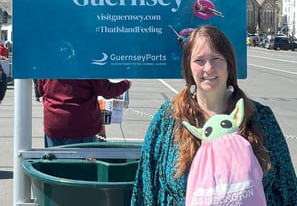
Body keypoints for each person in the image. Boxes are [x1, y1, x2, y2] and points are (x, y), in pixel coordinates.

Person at [131, 25, 297, 205]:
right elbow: (145, 189)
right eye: (199, 60)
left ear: (229, 64)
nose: (208, 68)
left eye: (216, 59)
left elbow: (286, 188)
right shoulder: (168, 119)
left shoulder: (260, 117)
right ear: (189, 67)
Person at [38, 78, 131, 147]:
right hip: (82, 128)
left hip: (54, 125)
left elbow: (41, 90)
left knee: (53, 168)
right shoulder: (85, 64)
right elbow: (107, 91)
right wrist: (126, 84)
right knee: (83, 169)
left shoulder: (48, 64)